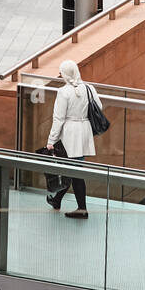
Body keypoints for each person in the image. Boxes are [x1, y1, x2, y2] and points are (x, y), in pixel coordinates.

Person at [44, 61, 102, 219]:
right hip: (84, 131)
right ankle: (57, 200)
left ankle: (81, 209)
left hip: (70, 134)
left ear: (65, 74)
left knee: (73, 171)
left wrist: (51, 141)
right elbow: (99, 107)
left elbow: (58, 119)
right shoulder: (89, 88)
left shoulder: (63, 92)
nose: (60, 74)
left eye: (61, 72)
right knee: (73, 169)